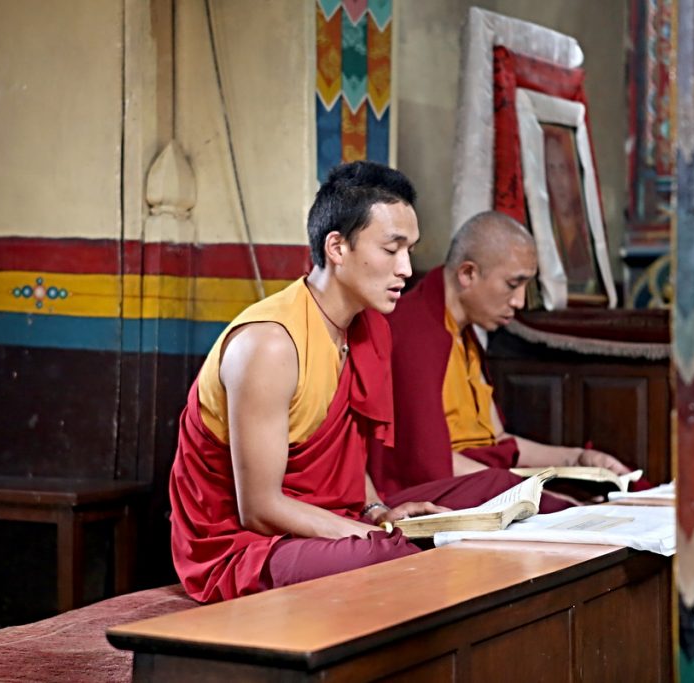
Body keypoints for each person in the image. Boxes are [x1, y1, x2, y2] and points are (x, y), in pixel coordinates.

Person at [169, 164, 553, 604]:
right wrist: (369, 534)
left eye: (409, 250)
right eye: (391, 249)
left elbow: (351, 459)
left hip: (325, 522)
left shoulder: (369, 330)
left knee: (485, 502)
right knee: (402, 560)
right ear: (337, 247)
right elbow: (259, 509)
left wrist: (377, 511)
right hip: (245, 547)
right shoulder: (271, 345)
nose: (406, 268)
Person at [370, 210, 631, 502]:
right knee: (571, 508)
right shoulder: (414, 333)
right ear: (468, 274)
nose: (519, 301)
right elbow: (425, 463)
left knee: (620, 491)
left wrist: (576, 458)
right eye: (512, 284)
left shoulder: (466, 335)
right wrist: (528, 494)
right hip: (445, 490)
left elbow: (499, 441)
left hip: (484, 479)